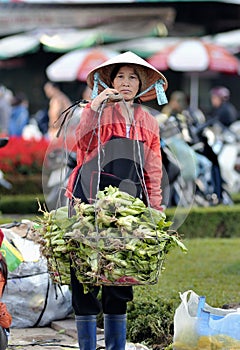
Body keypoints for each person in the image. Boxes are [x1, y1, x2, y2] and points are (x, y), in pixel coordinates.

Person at [65, 51, 168, 350]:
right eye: (120, 76)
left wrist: (154, 210)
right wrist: (94, 107)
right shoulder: (97, 113)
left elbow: (153, 169)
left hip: (127, 208)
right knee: (84, 277)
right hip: (88, 203)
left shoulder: (148, 122)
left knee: (118, 282)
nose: (126, 82)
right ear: (109, 82)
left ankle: (115, 347)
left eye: (132, 77)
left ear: (141, 84)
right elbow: (80, 143)